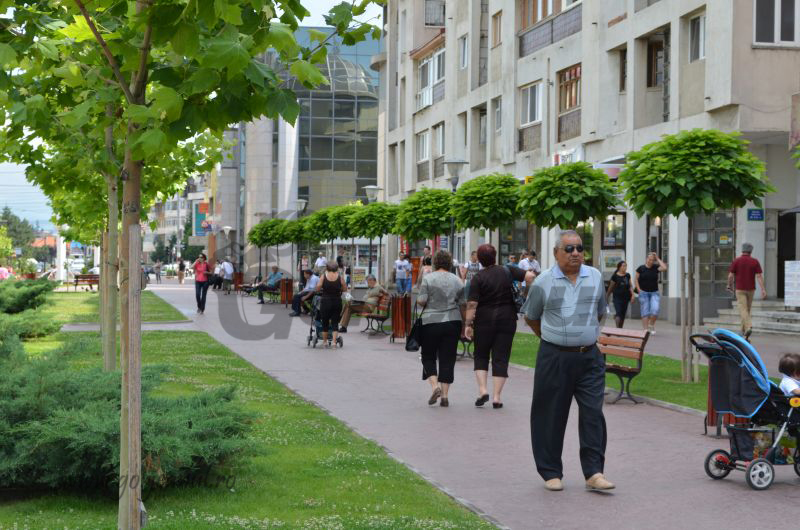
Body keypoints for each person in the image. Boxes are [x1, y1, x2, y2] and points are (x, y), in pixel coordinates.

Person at [522, 230, 614, 493]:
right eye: (569, 249)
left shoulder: (595, 277)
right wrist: (552, 339)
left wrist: (583, 335)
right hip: (555, 357)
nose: (576, 253)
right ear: (556, 253)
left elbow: (599, 312)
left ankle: (594, 472)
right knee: (550, 414)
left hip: (589, 357)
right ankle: (550, 471)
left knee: (593, 413)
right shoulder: (543, 282)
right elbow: (531, 316)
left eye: (579, 248)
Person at [464, 244, 534, 409]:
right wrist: (524, 290)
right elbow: (530, 277)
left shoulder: (478, 278)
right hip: (506, 319)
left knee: (481, 355)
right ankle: (497, 397)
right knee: (501, 357)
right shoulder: (507, 270)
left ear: (479, 260)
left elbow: (472, 303)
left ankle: (482, 390)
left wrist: (468, 324)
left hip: (483, 321)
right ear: (495, 256)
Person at [417, 250, 465, 407]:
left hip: (431, 321)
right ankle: (445, 396)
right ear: (449, 263)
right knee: (448, 358)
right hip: (453, 321)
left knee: (428, 355)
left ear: (435, 262)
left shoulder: (428, 278)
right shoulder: (458, 280)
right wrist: (466, 325)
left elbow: (421, 301)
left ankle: (434, 386)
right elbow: (463, 303)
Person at [727, 242, 767, 335]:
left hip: (740, 289)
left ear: (742, 250)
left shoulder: (736, 261)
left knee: (743, 309)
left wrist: (729, 285)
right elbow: (759, 276)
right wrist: (763, 289)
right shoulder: (755, 261)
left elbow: (730, 276)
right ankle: (743, 330)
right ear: (751, 251)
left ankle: (748, 326)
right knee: (747, 310)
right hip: (751, 289)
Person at [314, 262, 348, 347]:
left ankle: (325, 342)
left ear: (327, 268)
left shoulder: (323, 277)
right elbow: (344, 289)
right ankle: (333, 342)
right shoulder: (340, 277)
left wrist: (322, 288)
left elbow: (317, 288)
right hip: (337, 301)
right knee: (335, 322)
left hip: (325, 301)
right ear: (336, 268)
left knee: (325, 322)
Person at [635, 252, 667, 335]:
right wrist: (639, 290)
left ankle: (651, 325)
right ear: (646, 259)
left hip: (654, 292)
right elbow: (636, 280)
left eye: (653, 260)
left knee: (655, 310)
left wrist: (657, 258)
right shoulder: (641, 268)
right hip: (643, 292)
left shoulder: (655, 267)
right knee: (645, 311)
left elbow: (664, 267)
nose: (651, 261)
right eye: (649, 259)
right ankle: (645, 329)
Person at [606, 260, 635, 328]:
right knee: (618, 312)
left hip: (626, 297)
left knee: (622, 314)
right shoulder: (615, 276)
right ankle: (617, 329)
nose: (625, 267)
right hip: (617, 298)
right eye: (623, 266)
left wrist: (633, 295)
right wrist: (607, 296)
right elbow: (610, 287)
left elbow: (630, 286)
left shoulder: (628, 275)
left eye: (626, 266)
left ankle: (620, 328)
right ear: (619, 267)